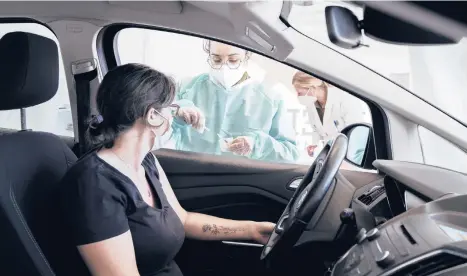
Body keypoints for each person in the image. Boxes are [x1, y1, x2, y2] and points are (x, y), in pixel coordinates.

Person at [59, 64, 275, 276]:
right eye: (171, 108)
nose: (174, 115)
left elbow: (183, 219)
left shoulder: (146, 161)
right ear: (153, 115)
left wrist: (252, 230)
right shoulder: (95, 184)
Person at [169, 40, 299, 163]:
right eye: (216, 60)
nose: (224, 67)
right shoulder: (187, 88)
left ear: (246, 56)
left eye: (233, 60)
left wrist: (256, 145)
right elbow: (157, 130)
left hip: (242, 181)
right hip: (191, 175)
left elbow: (290, 153)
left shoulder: (270, 99)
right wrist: (176, 112)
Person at [291, 71, 371, 158]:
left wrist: (346, 158)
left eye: (299, 93)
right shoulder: (311, 104)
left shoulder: (344, 97)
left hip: (350, 156)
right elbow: (316, 130)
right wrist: (315, 144)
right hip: (331, 155)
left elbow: (355, 132)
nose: (298, 96)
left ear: (312, 87)